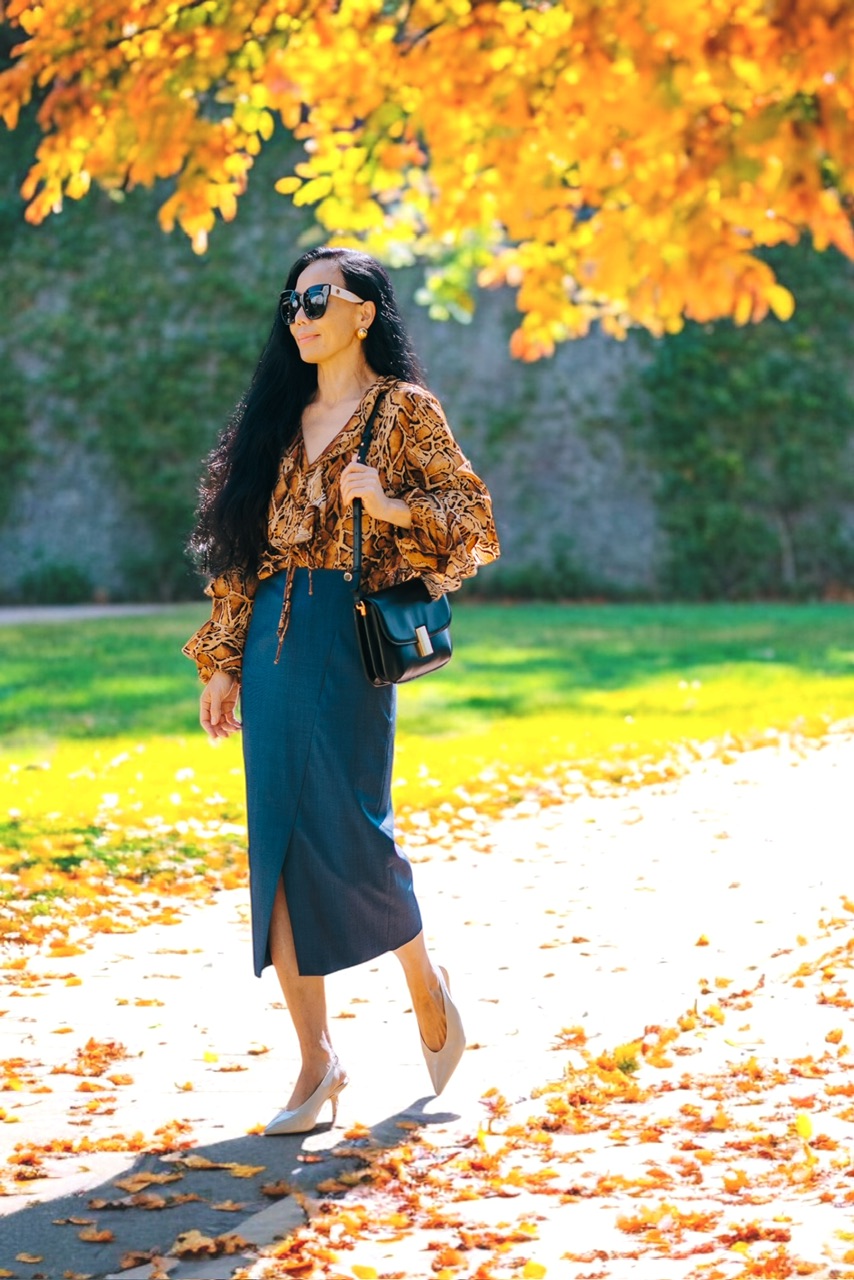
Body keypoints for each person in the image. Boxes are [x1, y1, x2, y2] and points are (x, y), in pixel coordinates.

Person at [183, 246, 499, 1135]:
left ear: (366, 311)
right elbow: (242, 552)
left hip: (349, 638)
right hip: (276, 643)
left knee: (354, 830)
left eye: (320, 297)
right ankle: (317, 1062)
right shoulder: (276, 422)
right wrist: (220, 655)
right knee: (275, 843)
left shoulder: (404, 413)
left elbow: (473, 528)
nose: (301, 312)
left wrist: (392, 506)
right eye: (292, 299)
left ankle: (422, 978)